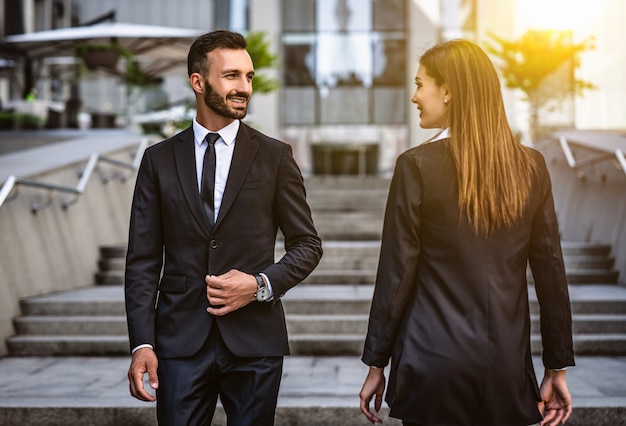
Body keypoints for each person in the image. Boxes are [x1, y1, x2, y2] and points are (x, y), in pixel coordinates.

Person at [359, 39, 575, 426]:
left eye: (420, 83)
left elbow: (397, 272)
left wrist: (376, 362)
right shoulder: (532, 166)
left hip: (431, 366)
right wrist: (557, 366)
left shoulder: (416, 165)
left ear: (448, 90)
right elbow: (551, 274)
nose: (414, 96)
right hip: (506, 370)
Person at [124, 30, 323, 425]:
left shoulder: (274, 156)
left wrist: (259, 284)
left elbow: (307, 245)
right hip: (179, 342)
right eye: (232, 76)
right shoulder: (158, 160)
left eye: (248, 77)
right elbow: (143, 260)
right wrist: (142, 343)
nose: (244, 87)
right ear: (198, 82)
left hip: (255, 342)